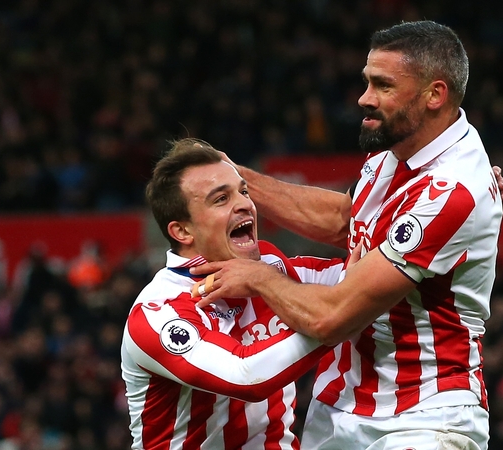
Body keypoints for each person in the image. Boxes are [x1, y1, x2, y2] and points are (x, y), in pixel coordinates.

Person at [192, 21, 503, 449]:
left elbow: (331, 318)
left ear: (435, 95)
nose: (364, 98)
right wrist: (235, 178)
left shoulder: (452, 190)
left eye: (383, 85)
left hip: (423, 418)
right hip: (341, 404)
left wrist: (258, 276)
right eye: (367, 81)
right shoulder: (403, 145)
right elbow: (348, 219)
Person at [120, 138, 346, 449]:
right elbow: (245, 375)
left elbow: (359, 279)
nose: (244, 204)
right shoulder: (159, 312)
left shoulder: (271, 266)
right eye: (221, 199)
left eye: (243, 191)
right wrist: (332, 318)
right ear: (182, 231)